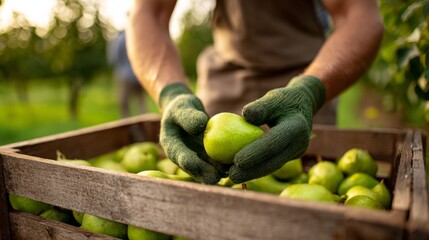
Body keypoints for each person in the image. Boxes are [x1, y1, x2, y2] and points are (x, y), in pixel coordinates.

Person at [126, 0, 384, 185]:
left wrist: (310, 90)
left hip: (309, 84)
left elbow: (358, 14)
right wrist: (171, 93)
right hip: (220, 95)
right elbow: (149, 12)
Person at [107, 30, 146, 118]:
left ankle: (127, 125)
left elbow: (113, 58)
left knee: (124, 104)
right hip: (139, 74)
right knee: (141, 101)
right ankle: (145, 124)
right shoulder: (137, 37)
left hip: (124, 75)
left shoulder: (117, 40)